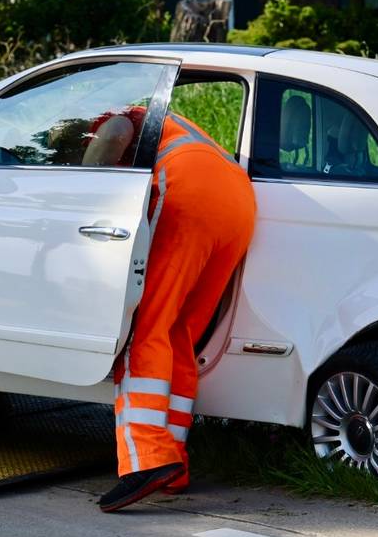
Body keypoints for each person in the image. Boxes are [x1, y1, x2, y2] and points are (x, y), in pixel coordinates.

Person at [93, 108, 257, 513]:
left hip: (189, 190)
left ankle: (146, 460)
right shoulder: (174, 121)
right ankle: (173, 463)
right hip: (237, 199)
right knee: (177, 332)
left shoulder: (115, 113)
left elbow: (113, 134)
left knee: (144, 329)